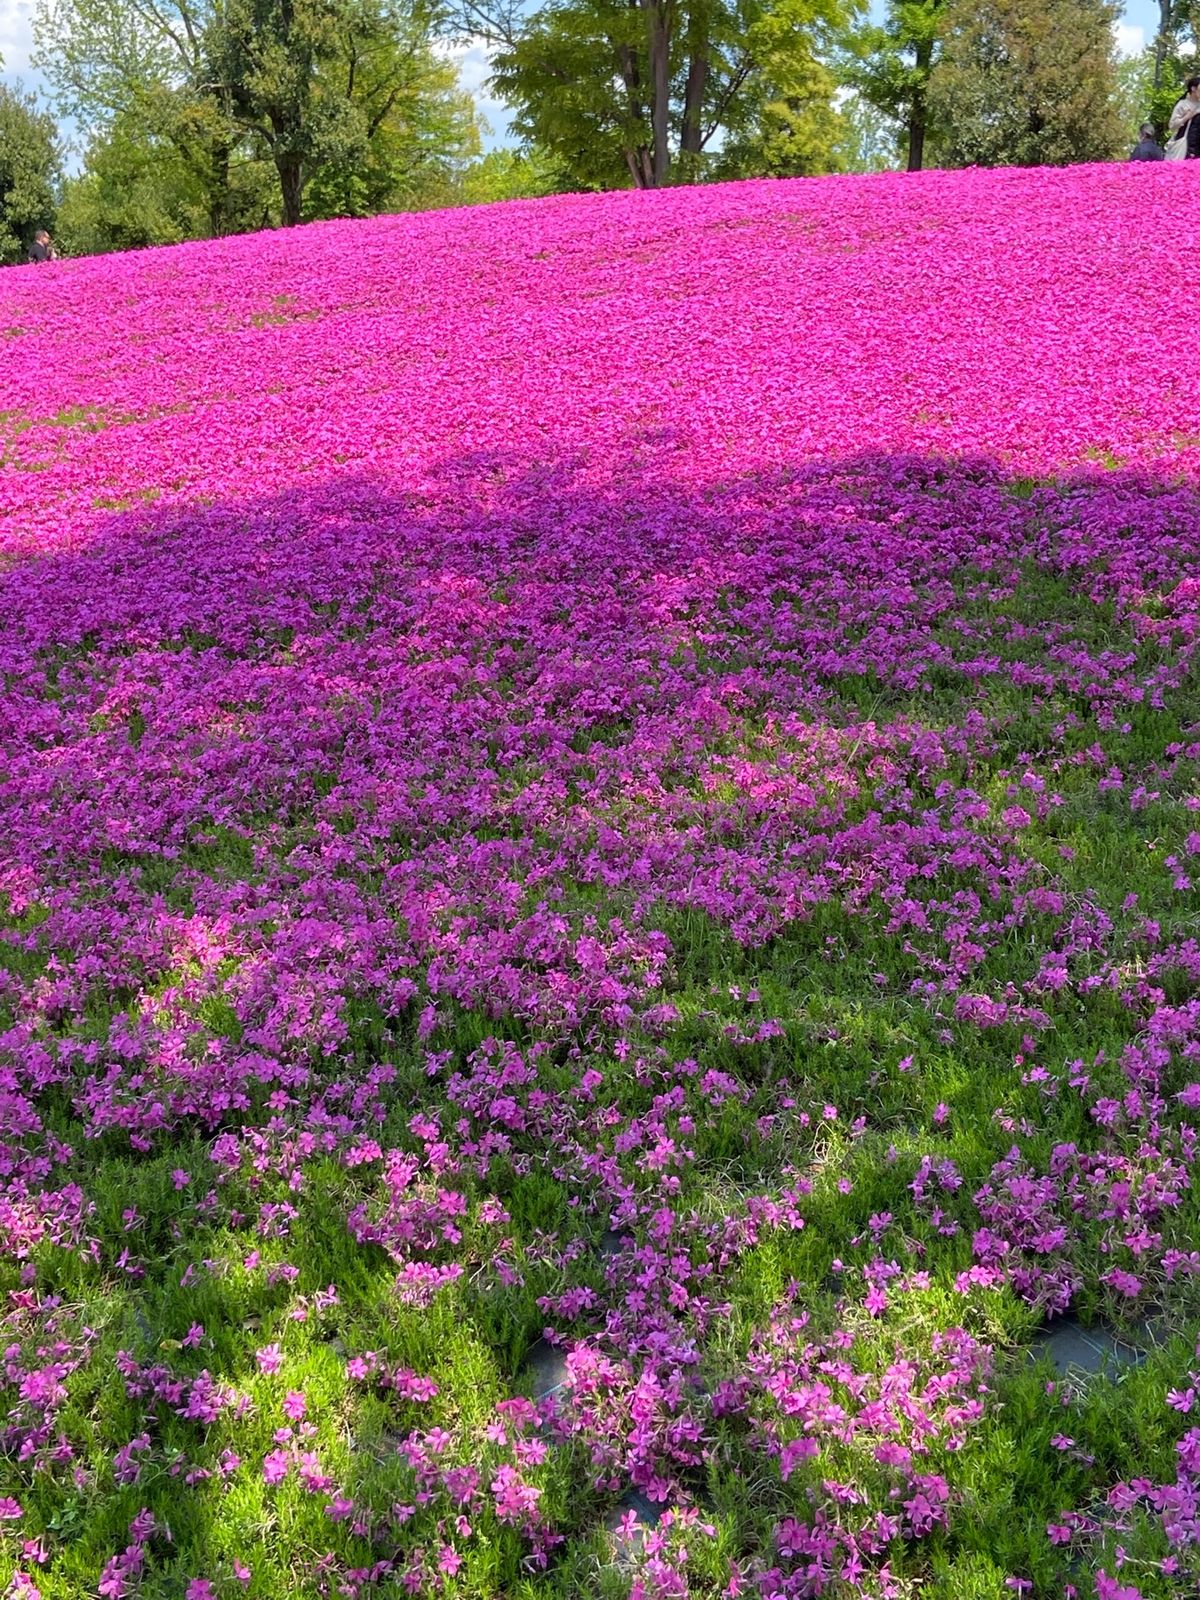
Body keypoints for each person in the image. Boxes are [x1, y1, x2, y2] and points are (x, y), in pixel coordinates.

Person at [1168, 75, 1200, 159]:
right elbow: (1172, 125)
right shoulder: (1182, 105)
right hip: (1186, 148)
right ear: (1193, 88)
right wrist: (1186, 117)